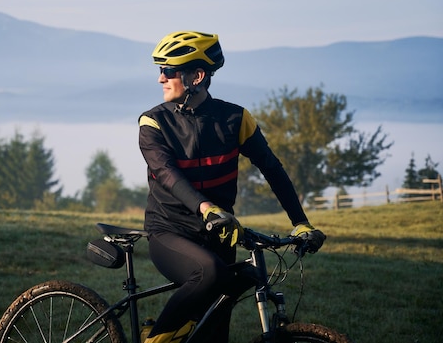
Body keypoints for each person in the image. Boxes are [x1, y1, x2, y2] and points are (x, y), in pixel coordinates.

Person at [137, 31, 326, 343]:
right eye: (160, 70)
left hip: (219, 234)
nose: (160, 78)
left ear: (196, 76)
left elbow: (272, 169)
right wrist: (207, 208)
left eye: (168, 71)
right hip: (170, 232)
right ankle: (156, 337)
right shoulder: (153, 123)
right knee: (209, 273)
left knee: (216, 330)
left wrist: (300, 222)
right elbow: (168, 175)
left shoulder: (235, 119)